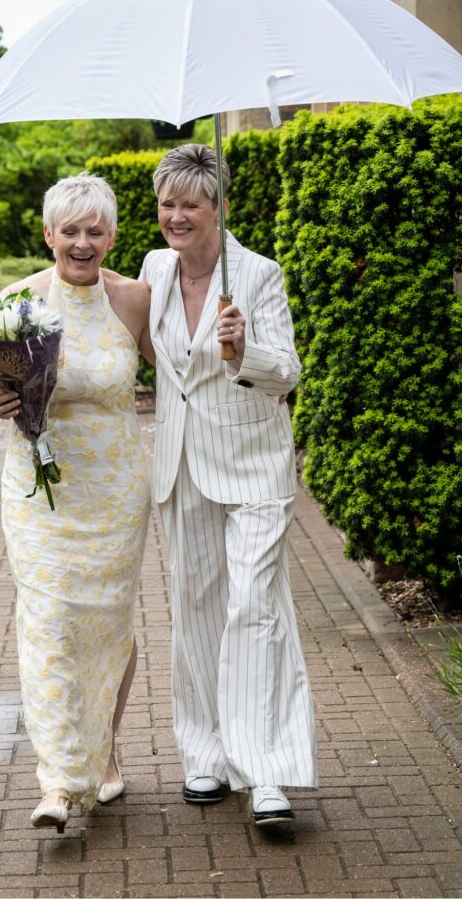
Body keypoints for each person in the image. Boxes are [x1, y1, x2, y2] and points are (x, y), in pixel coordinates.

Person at [139, 143, 317, 827]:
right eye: (166, 203)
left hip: (251, 463)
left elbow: (288, 373)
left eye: (190, 203)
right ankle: (205, 756)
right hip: (181, 464)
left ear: (217, 207)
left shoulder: (258, 276)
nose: (176, 216)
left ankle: (266, 772)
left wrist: (243, 350)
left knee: (255, 606)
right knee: (197, 612)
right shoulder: (154, 269)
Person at [0, 172, 153, 832]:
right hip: (38, 490)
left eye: (94, 230)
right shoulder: (18, 301)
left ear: (111, 234)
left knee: (107, 622)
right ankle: (59, 782)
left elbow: (186, 371)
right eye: (69, 231)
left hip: (114, 490)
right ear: (47, 235)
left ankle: (100, 754)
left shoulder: (134, 300)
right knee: (47, 621)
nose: (82, 242)